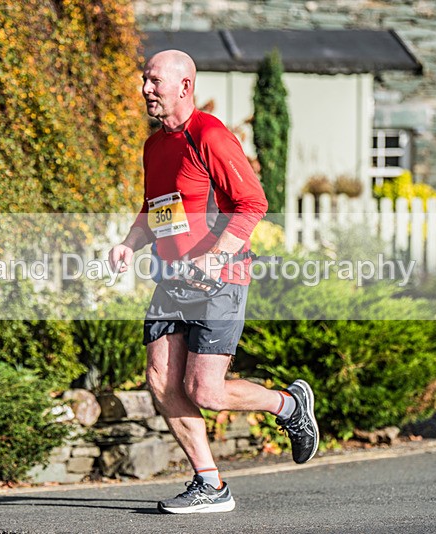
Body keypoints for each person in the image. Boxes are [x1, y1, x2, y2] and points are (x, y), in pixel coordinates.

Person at [108, 49, 318, 515]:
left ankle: (288, 405)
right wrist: (129, 244)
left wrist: (216, 256)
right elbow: (153, 210)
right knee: (161, 380)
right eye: (144, 80)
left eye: (155, 81)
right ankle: (210, 484)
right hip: (172, 281)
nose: (145, 89)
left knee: (206, 390)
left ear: (185, 86)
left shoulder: (210, 135)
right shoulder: (154, 146)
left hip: (221, 280)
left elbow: (253, 202)